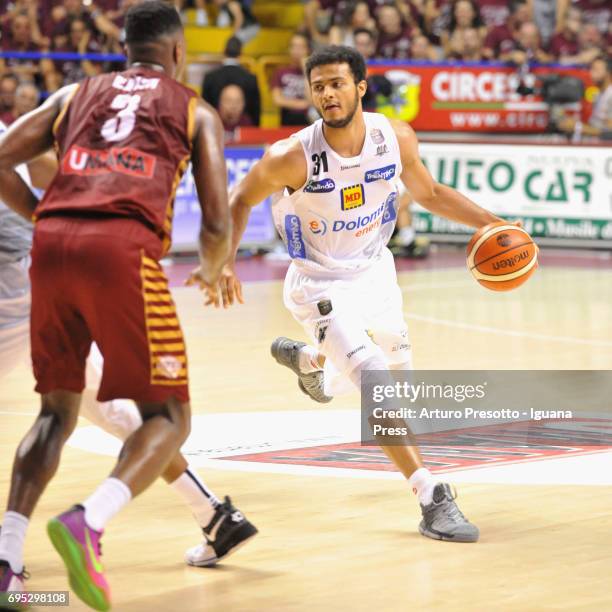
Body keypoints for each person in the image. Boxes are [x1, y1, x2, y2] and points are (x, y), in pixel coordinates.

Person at [0, 2, 255, 608]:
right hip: (122, 252)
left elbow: (2, 153)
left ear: (126, 50)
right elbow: (217, 222)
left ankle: (8, 558)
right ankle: (90, 519)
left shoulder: (74, 93)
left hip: (52, 250)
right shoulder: (194, 107)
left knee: (54, 414)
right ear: (177, 52)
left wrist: (45, 216)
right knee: (169, 417)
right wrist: (215, 270)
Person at [213, 45, 512, 543]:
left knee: (400, 377)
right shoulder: (291, 156)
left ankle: (313, 367)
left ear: (360, 86)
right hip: (318, 285)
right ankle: (430, 497)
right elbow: (239, 200)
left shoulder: (394, 138)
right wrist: (223, 261)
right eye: (318, 86)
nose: (328, 94)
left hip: (376, 270)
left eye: (336, 83)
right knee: (374, 377)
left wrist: (493, 223)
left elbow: (431, 195)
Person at [202, 36, 260, 126]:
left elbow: (205, 109)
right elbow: (255, 111)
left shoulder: (210, 77)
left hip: (215, 129)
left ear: (224, 51)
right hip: (245, 130)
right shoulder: (250, 78)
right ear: (241, 53)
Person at [558, 56, 612, 139]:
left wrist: (577, 127)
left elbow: (609, 132)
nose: (591, 73)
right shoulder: (598, 94)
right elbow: (594, 125)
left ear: (608, 73)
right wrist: (574, 123)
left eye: (596, 70)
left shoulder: (610, 95)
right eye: (591, 69)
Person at [271, 32, 312, 126]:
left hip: (308, 121)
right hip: (287, 119)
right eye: (294, 47)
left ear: (308, 50)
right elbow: (277, 100)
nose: (297, 51)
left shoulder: (313, 73)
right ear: (289, 49)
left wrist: (306, 71)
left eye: (301, 47)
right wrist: (302, 104)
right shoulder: (280, 72)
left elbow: (312, 100)